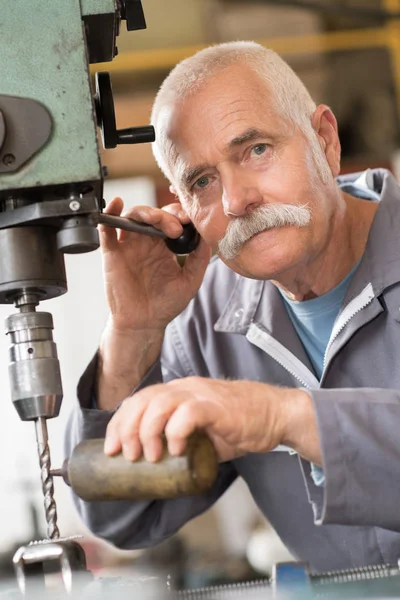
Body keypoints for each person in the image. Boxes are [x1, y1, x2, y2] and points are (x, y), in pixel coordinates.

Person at [66, 42, 400, 573]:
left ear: (325, 139)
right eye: (202, 181)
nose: (235, 200)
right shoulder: (205, 317)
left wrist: (277, 416)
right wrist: (133, 330)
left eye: (257, 150)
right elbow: (121, 516)